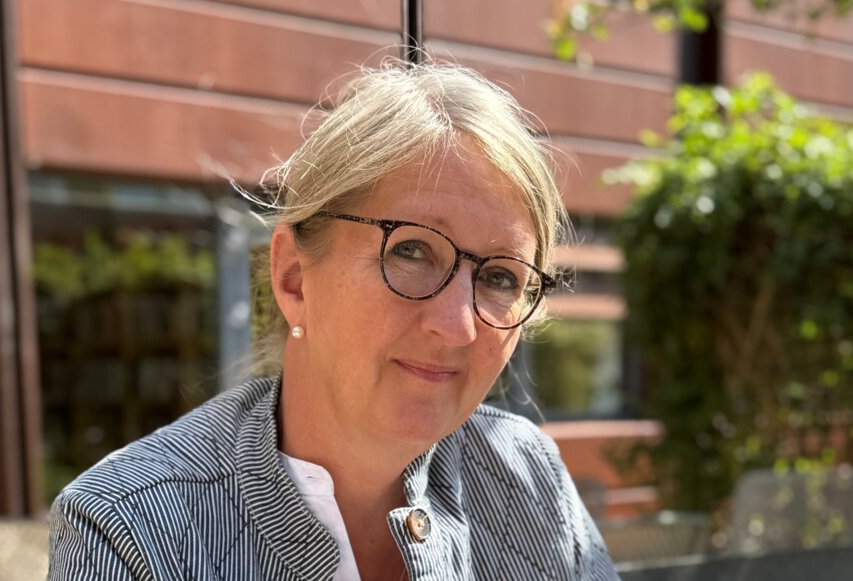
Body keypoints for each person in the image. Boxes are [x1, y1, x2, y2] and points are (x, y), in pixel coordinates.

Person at [48, 60, 618, 581]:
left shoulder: (527, 479)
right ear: (294, 277)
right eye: (411, 251)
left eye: (500, 278)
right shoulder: (131, 532)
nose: (458, 325)